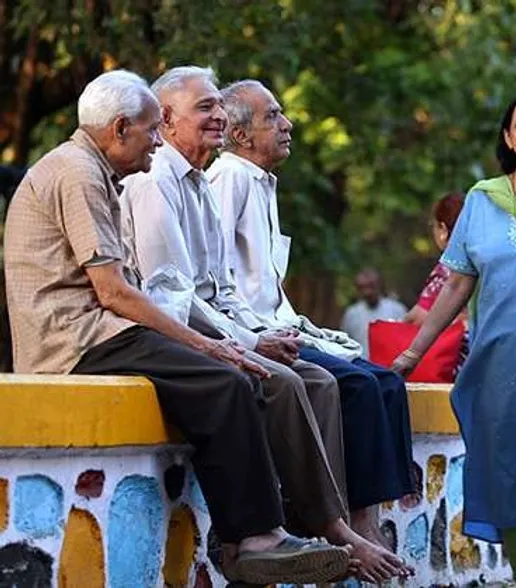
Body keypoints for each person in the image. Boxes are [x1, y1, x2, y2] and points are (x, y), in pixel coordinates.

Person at [3, 70, 350, 584]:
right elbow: (115, 292)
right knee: (226, 381)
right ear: (120, 129)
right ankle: (252, 541)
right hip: (75, 340)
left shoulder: (93, 170)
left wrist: (214, 344)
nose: (158, 140)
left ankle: (259, 536)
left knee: (235, 378)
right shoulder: (77, 172)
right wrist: (209, 345)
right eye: (150, 130)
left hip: (98, 330)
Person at [119, 66, 403, 583]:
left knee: (325, 379)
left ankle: (323, 532)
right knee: (293, 381)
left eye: (218, 107)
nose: (218, 117)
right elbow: (173, 295)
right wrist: (251, 341)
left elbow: (224, 291)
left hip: (220, 325)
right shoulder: (158, 179)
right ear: (166, 119)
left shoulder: (197, 180)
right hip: (174, 332)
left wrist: (293, 334)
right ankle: (327, 531)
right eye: (205, 107)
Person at [208, 79, 416, 574]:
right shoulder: (230, 179)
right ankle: (347, 526)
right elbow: (218, 282)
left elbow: (268, 287)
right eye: (273, 117)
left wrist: (311, 331)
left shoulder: (260, 182)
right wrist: (267, 336)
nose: (287, 124)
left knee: (386, 383)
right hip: (250, 332)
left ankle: (367, 517)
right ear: (239, 134)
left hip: (279, 324)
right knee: (360, 388)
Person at [393, 91, 516, 588]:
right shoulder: (482, 200)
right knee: (511, 466)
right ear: (508, 137)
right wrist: (414, 350)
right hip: (497, 364)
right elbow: (457, 280)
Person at [405, 192, 466, 325]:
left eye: (433, 225)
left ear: (443, 229)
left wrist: (400, 323)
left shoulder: (448, 268)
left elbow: (419, 316)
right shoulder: (487, 260)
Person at [342, 268, 408, 356]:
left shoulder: (397, 309)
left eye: (371, 286)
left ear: (379, 285)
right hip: (361, 365)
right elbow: (346, 342)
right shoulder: (351, 314)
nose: (367, 292)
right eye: (362, 287)